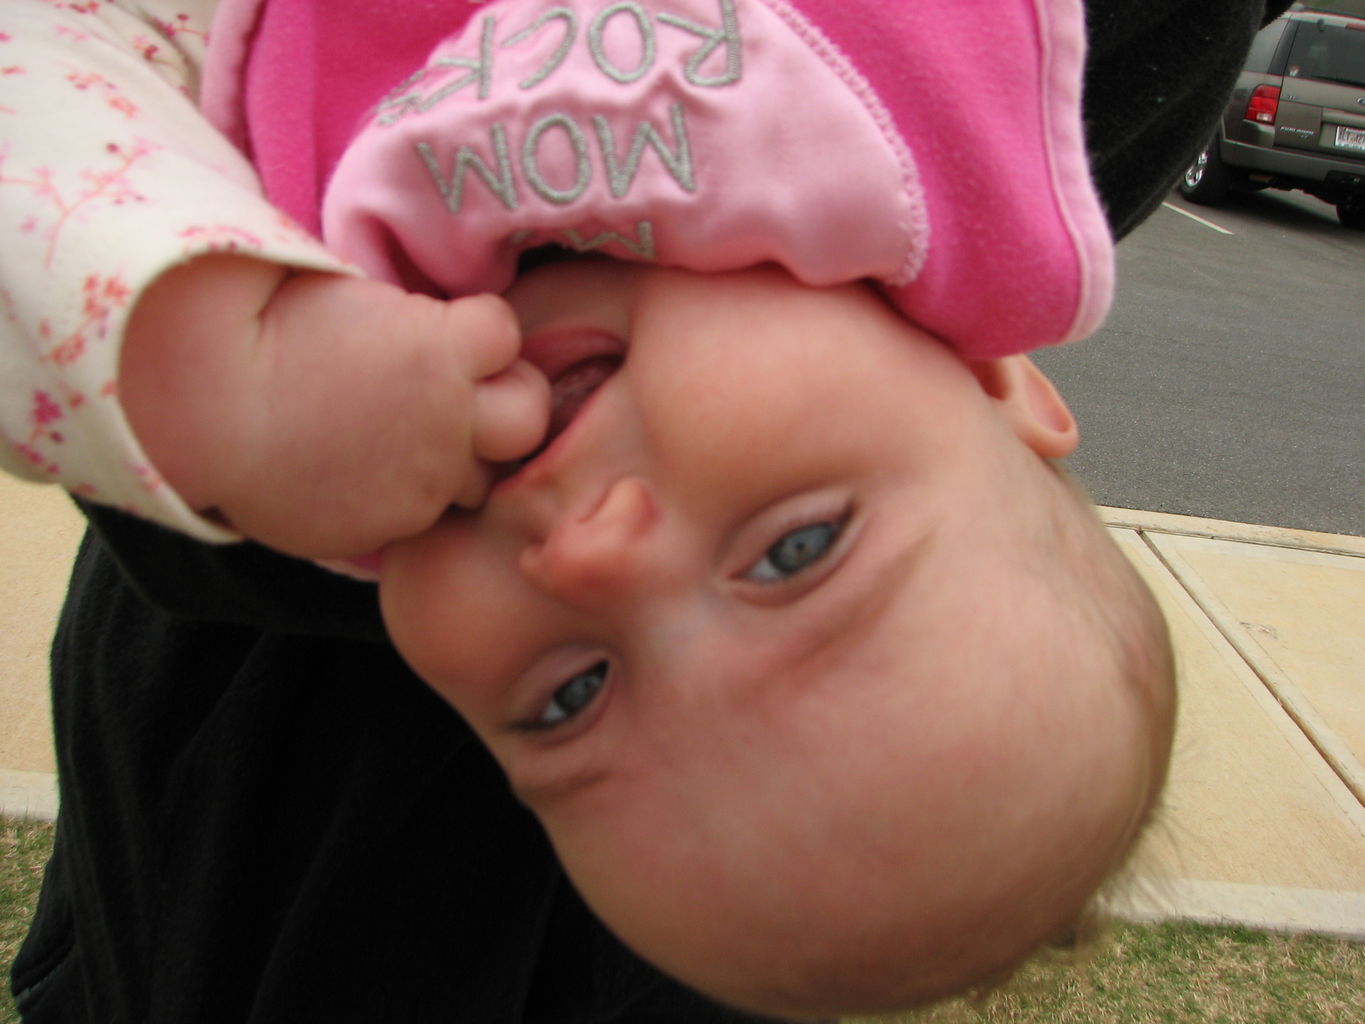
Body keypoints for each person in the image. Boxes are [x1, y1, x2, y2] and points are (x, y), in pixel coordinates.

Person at [1, 0, 1287, 1021]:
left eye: (568, 695)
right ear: (996, 379)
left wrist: (204, 349)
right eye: (798, 551)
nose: (589, 558)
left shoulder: (308, 374)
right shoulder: (928, 122)